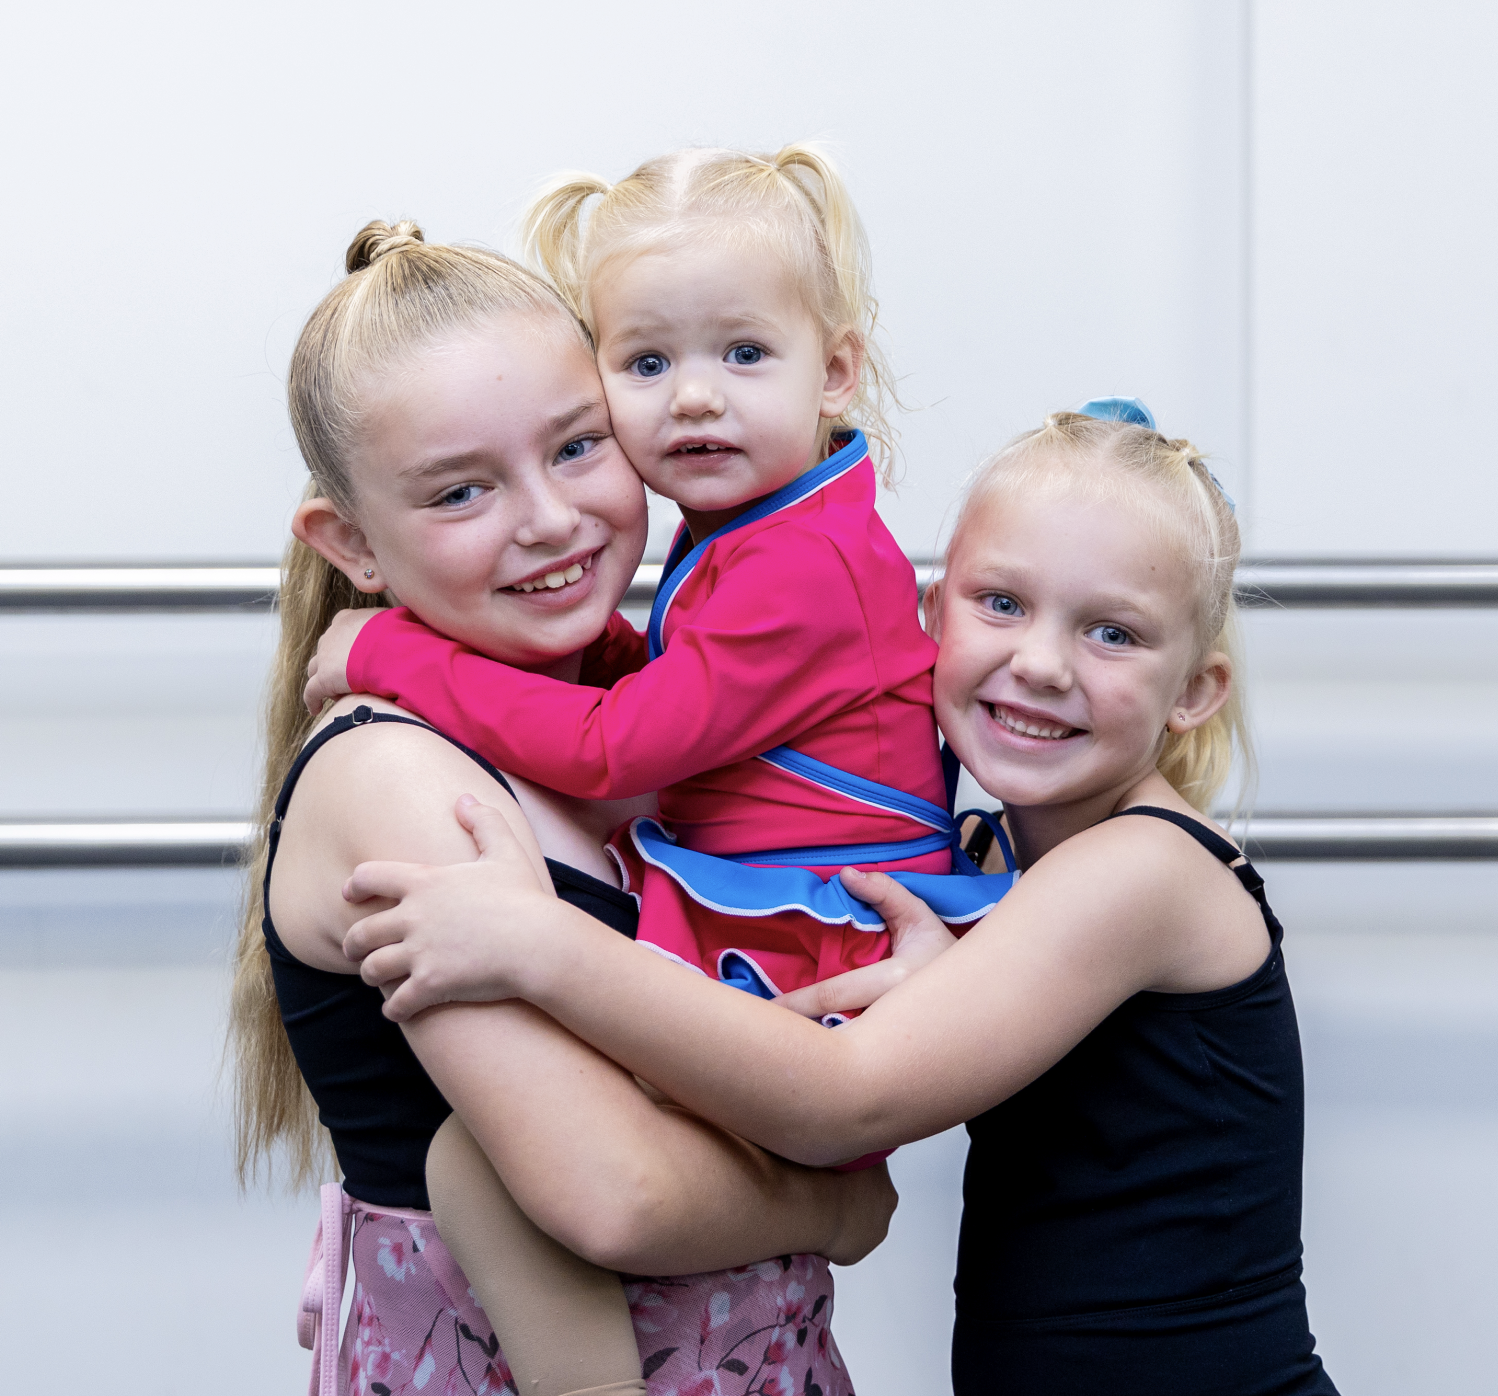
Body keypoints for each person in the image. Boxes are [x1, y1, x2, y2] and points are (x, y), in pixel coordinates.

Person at [341, 403, 1340, 1394]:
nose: (1039, 663)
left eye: (1111, 633)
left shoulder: (1145, 870)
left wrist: (539, 943)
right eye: (1001, 604)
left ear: (1195, 690)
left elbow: (842, 1098)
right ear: (930, 614)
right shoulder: (989, 861)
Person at [229, 220, 895, 1396]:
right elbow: (614, 1193)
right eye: (460, 490)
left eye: (577, 446)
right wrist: (826, 1203)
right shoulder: (394, 775)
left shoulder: (617, 701)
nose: (547, 519)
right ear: (353, 546)